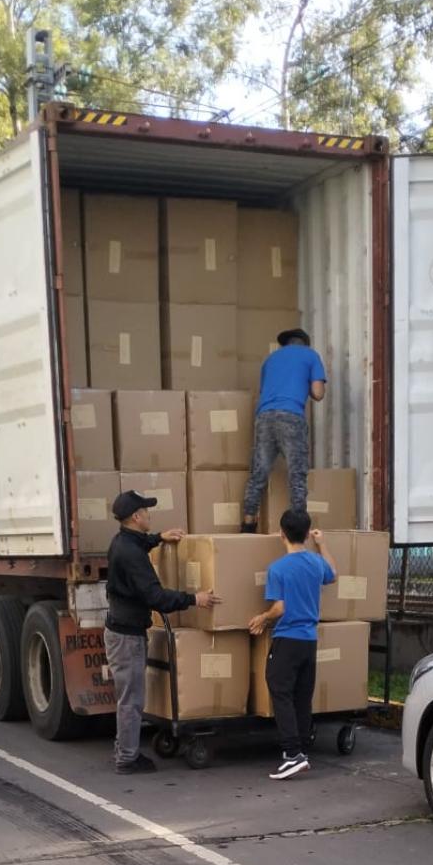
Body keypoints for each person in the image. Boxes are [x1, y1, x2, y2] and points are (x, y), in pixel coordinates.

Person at [105, 490, 220, 775]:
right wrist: (195, 599)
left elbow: (139, 543)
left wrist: (158, 537)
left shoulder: (123, 541)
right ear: (136, 516)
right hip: (126, 637)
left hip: (123, 630)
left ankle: (124, 750)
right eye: (146, 511)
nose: (149, 514)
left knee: (129, 697)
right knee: (131, 700)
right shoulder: (131, 554)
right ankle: (127, 759)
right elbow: (155, 597)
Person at [249, 509, 337, 780]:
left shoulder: (278, 568)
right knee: (301, 696)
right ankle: (302, 749)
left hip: (287, 639)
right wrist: (322, 545)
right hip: (309, 640)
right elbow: (333, 573)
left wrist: (262, 618)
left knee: (281, 692)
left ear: (281, 534)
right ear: (308, 534)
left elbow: (280, 608)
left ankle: (292, 754)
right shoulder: (316, 563)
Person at [241, 328, 326, 533]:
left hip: (264, 417)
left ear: (285, 344)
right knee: (297, 474)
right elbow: (318, 393)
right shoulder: (311, 355)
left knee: (258, 473)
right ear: (304, 343)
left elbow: (266, 391)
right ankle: (298, 530)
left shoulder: (270, 360)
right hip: (291, 417)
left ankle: (248, 525)